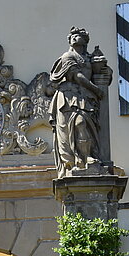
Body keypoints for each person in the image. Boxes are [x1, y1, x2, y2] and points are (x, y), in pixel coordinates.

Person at [49, 26, 107, 175]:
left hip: (86, 98)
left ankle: (87, 157)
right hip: (70, 98)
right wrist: (96, 89)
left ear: (85, 40)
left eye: (78, 35)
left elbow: (102, 74)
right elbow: (77, 77)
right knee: (78, 123)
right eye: (73, 35)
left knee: (85, 126)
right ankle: (80, 158)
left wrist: (104, 69)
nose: (75, 37)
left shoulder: (89, 58)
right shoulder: (68, 56)